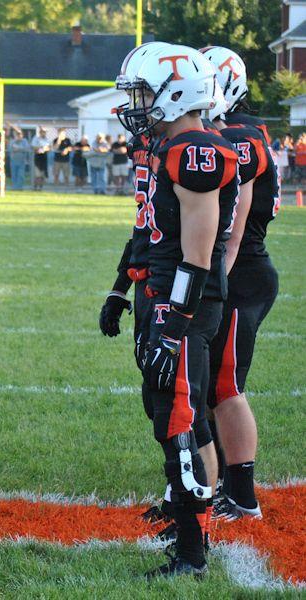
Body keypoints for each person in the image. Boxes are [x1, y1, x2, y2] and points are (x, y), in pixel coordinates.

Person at [121, 44, 238, 579]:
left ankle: (192, 554)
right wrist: (123, 291)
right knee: (163, 413)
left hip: (184, 306)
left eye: (143, 93)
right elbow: (152, 235)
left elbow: (197, 253)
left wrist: (171, 326)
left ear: (174, 91)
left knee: (180, 420)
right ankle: (185, 528)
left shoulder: (196, 151)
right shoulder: (171, 147)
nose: (137, 105)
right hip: (164, 299)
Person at [202, 45, 280, 523]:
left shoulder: (239, 136)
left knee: (226, 385)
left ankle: (242, 495)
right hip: (233, 269)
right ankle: (214, 485)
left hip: (241, 273)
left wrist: (210, 284)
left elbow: (232, 231)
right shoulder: (226, 132)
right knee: (211, 384)